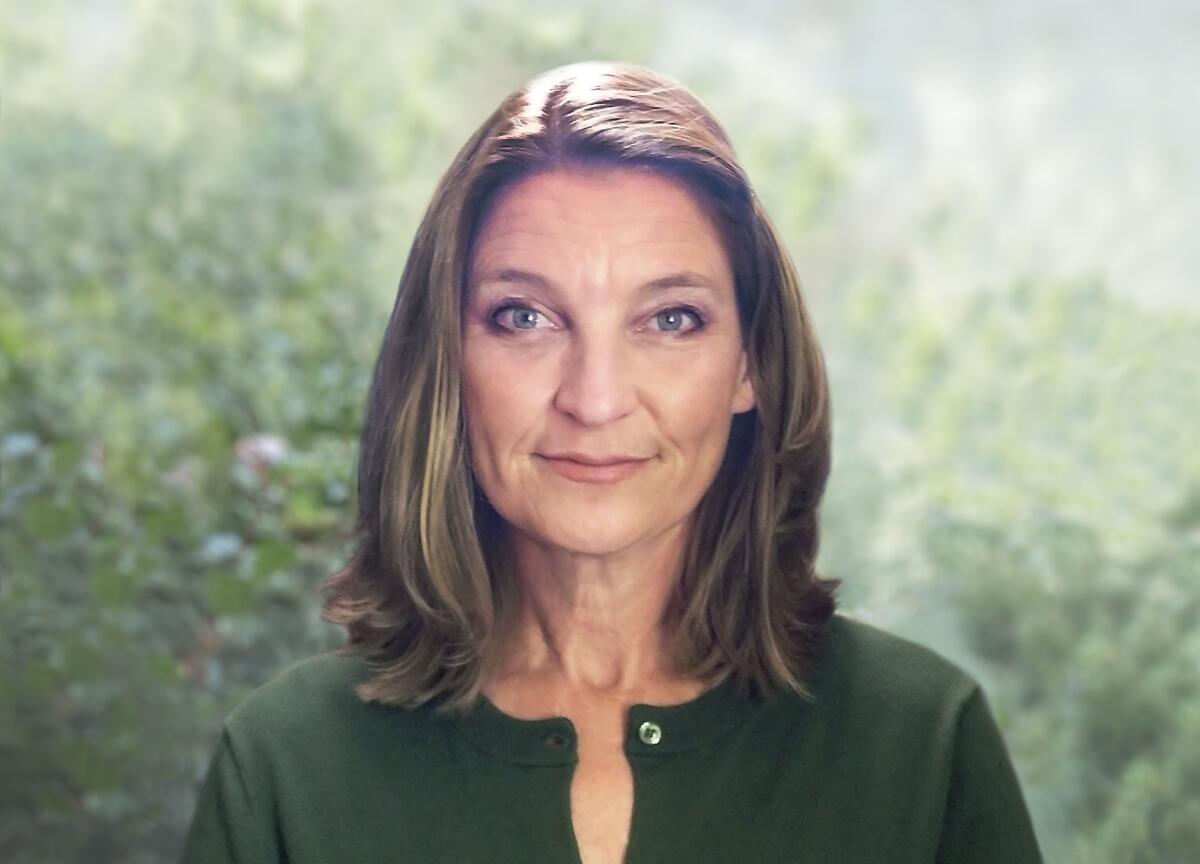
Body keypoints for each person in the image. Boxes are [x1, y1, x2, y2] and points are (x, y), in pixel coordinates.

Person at [180, 61, 1043, 864]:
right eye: (525, 318)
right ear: (446, 359)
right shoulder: (286, 766)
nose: (595, 400)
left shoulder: (923, 744)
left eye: (669, 320)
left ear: (752, 365)